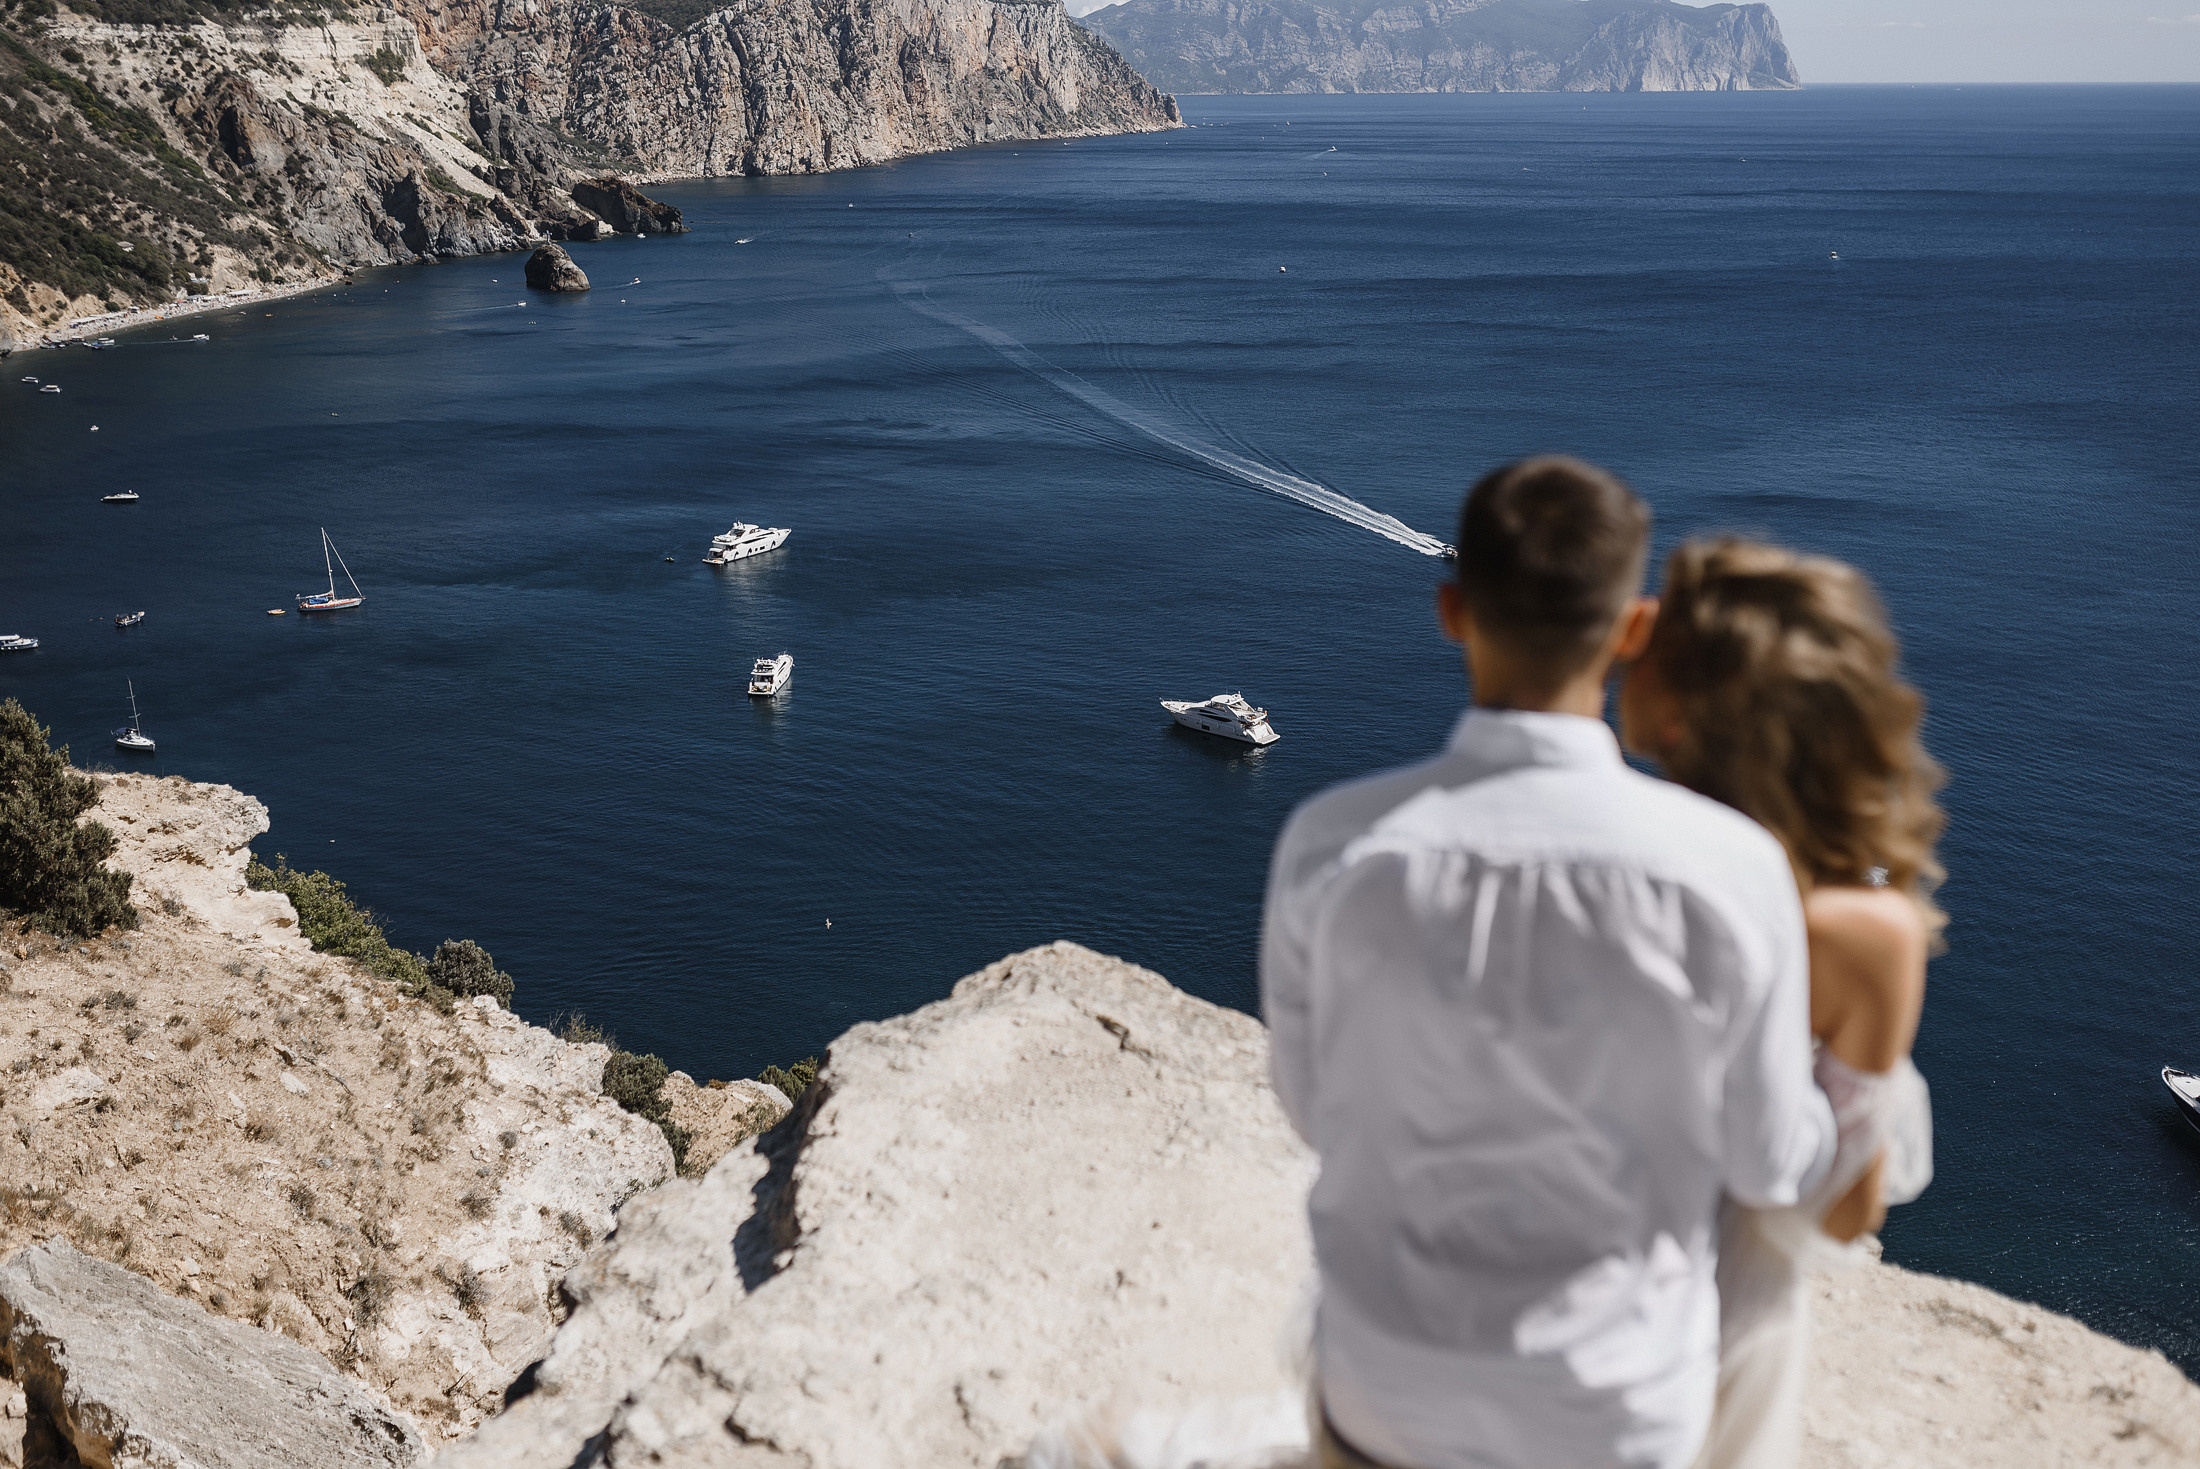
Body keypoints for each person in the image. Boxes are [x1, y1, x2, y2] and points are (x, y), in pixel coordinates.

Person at [1262, 458, 1837, 1469]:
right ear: (1633, 628)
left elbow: (1314, 1108)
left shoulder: (1329, 843)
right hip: (1613, 1406)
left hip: (1383, 1382)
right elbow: (1771, 1162)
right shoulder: (1728, 867)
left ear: (1451, 609)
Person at [1618, 538, 1944, 1469]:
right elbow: (1848, 1213)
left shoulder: (1617, 863)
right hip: (1728, 1310)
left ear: (1680, 714)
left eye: (1649, 633)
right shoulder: (1868, 932)